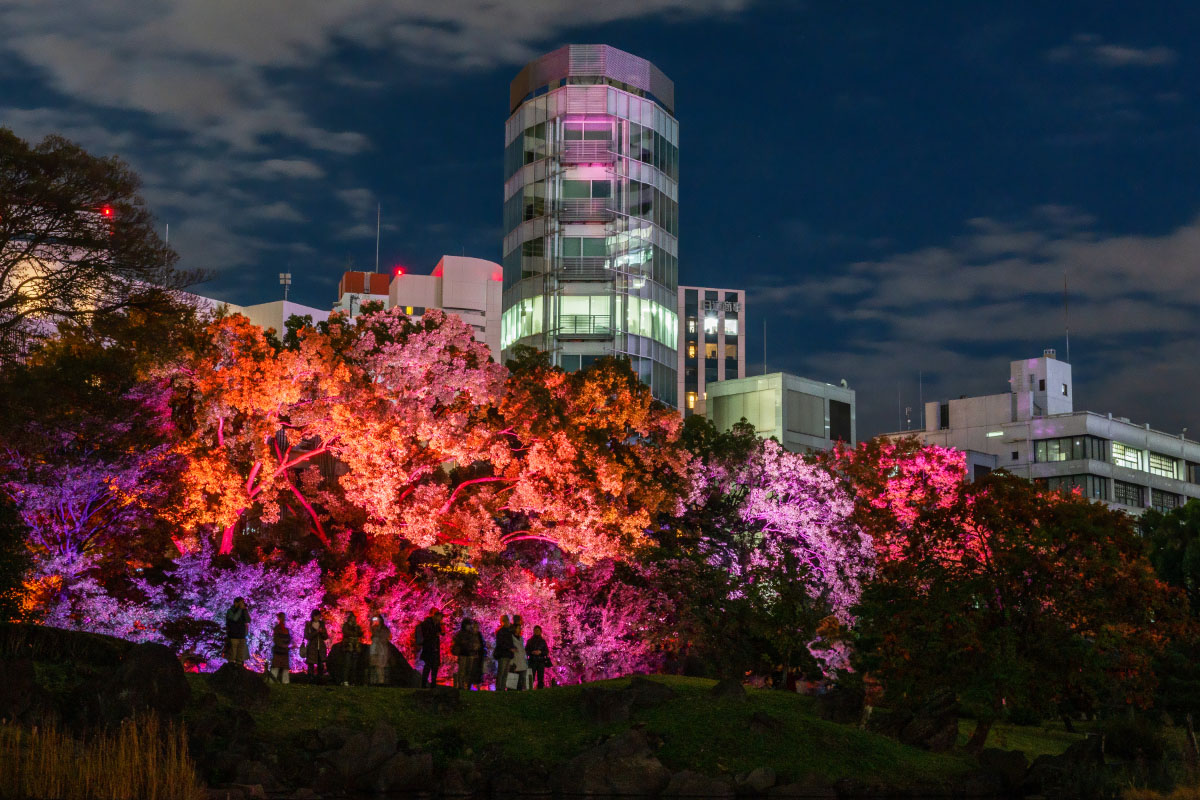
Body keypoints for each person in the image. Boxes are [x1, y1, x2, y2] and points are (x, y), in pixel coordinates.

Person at [452, 617, 485, 690]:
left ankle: (466, 685)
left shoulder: (470, 633)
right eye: (468, 625)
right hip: (463, 654)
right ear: (465, 625)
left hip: (470, 654)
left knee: (468, 670)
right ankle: (461, 685)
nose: (470, 626)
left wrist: (475, 646)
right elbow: (459, 642)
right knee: (462, 670)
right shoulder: (461, 633)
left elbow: (474, 642)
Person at [416, 608, 444, 688]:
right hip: (428, 648)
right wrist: (435, 634)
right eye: (440, 617)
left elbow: (442, 633)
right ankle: (424, 684)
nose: (441, 619)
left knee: (434, 666)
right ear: (436, 616)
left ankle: (433, 684)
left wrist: (441, 628)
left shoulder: (437, 624)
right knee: (428, 666)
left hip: (435, 648)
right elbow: (427, 635)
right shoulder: (427, 623)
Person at [224, 597, 250, 667]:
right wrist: (240, 609)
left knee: (240, 657)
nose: (242, 604)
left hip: (242, 636)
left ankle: (239, 669)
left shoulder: (242, 611)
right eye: (241, 602)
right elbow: (234, 618)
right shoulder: (230, 611)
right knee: (232, 656)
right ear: (235, 603)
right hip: (233, 636)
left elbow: (248, 620)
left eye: (243, 602)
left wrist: (245, 610)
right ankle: (231, 669)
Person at [303, 609, 329, 679]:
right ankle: (310, 679)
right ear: (313, 616)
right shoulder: (309, 624)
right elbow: (307, 636)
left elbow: (326, 637)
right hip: (312, 647)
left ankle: (320, 679)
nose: (318, 618)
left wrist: (322, 632)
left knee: (320, 664)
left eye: (319, 616)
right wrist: (316, 632)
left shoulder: (322, 624)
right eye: (317, 616)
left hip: (320, 647)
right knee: (311, 664)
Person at [340, 612, 363, 686]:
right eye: (352, 618)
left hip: (355, 646)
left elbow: (360, 633)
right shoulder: (346, 625)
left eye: (354, 618)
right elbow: (346, 632)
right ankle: (345, 680)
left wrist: (358, 632)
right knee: (347, 664)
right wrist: (354, 634)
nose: (353, 619)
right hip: (348, 646)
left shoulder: (357, 626)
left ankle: (352, 681)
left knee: (354, 665)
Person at [492, 615, 515, 691]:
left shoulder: (508, 631)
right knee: (502, 672)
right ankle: (499, 687)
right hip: (503, 654)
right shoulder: (501, 632)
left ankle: (502, 687)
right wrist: (509, 648)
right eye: (506, 621)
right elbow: (501, 643)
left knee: (505, 672)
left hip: (507, 654)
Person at [369, 614, 391, 686]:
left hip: (381, 649)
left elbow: (385, 637)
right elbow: (372, 633)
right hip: (374, 648)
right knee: (374, 665)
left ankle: (381, 681)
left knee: (380, 666)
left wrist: (378, 633)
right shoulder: (374, 628)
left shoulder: (384, 629)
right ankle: (374, 681)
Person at [270, 612, 291, 684]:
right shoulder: (277, 628)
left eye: (284, 617)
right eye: (282, 617)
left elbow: (289, 638)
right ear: (279, 618)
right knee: (276, 666)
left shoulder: (286, 629)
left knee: (285, 667)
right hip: (279, 649)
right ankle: (272, 680)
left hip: (284, 650)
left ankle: (285, 681)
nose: (283, 619)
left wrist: (286, 644)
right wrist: (283, 645)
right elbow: (276, 639)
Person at [510, 616, 529, 691]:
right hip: (515, 661)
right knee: (514, 680)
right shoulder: (511, 637)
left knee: (521, 679)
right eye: (518, 628)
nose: (520, 629)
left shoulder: (521, 638)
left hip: (522, 661)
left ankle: (520, 691)